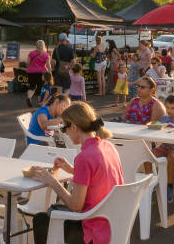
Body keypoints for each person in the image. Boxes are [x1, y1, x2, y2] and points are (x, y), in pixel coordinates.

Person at [31, 101, 123, 244]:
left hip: (93, 232)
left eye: (64, 128)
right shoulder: (108, 146)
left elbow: (76, 206)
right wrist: (73, 171)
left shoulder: (84, 157)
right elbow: (99, 176)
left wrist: (53, 182)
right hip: (114, 225)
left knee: (41, 219)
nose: (64, 132)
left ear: (74, 127)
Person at [26, 40, 51, 107]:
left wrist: (29, 67)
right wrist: (50, 71)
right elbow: (48, 64)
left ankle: (29, 97)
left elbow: (28, 63)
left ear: (36, 45)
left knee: (32, 86)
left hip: (31, 72)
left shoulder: (31, 53)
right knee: (40, 87)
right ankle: (40, 102)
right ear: (44, 46)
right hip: (41, 72)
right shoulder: (46, 54)